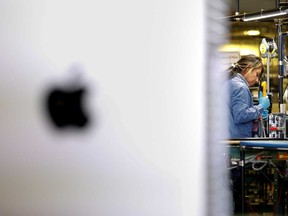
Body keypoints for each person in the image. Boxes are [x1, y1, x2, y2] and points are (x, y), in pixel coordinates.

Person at [224, 54, 270, 139]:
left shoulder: (230, 82)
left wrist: (257, 115)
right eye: (257, 74)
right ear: (248, 68)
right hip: (236, 141)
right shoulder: (240, 87)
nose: (257, 80)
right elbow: (241, 116)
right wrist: (261, 107)